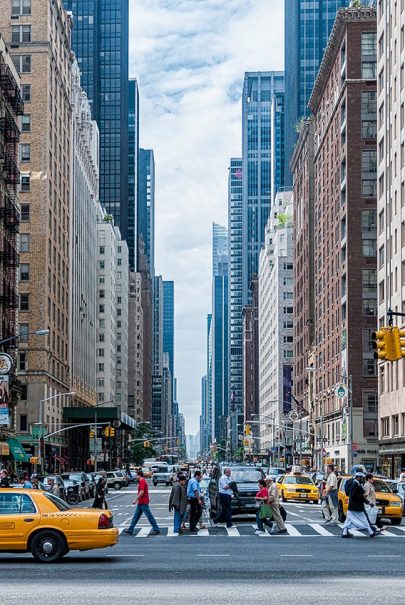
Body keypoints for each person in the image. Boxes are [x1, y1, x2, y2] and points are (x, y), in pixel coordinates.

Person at [342, 472, 377, 538]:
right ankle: (371, 532)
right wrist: (364, 497)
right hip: (356, 506)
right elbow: (353, 495)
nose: (363, 479)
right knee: (364, 519)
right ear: (358, 477)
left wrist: (368, 502)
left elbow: (357, 496)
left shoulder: (356, 484)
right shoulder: (355, 484)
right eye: (362, 478)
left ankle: (344, 533)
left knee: (348, 520)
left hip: (353, 506)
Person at [124, 470, 160, 535]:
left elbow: (142, 491)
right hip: (141, 502)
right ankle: (130, 529)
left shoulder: (142, 481)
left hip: (143, 501)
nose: (136, 476)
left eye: (136, 475)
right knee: (136, 516)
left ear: (139, 475)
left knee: (149, 516)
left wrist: (135, 499)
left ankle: (156, 529)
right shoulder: (142, 481)